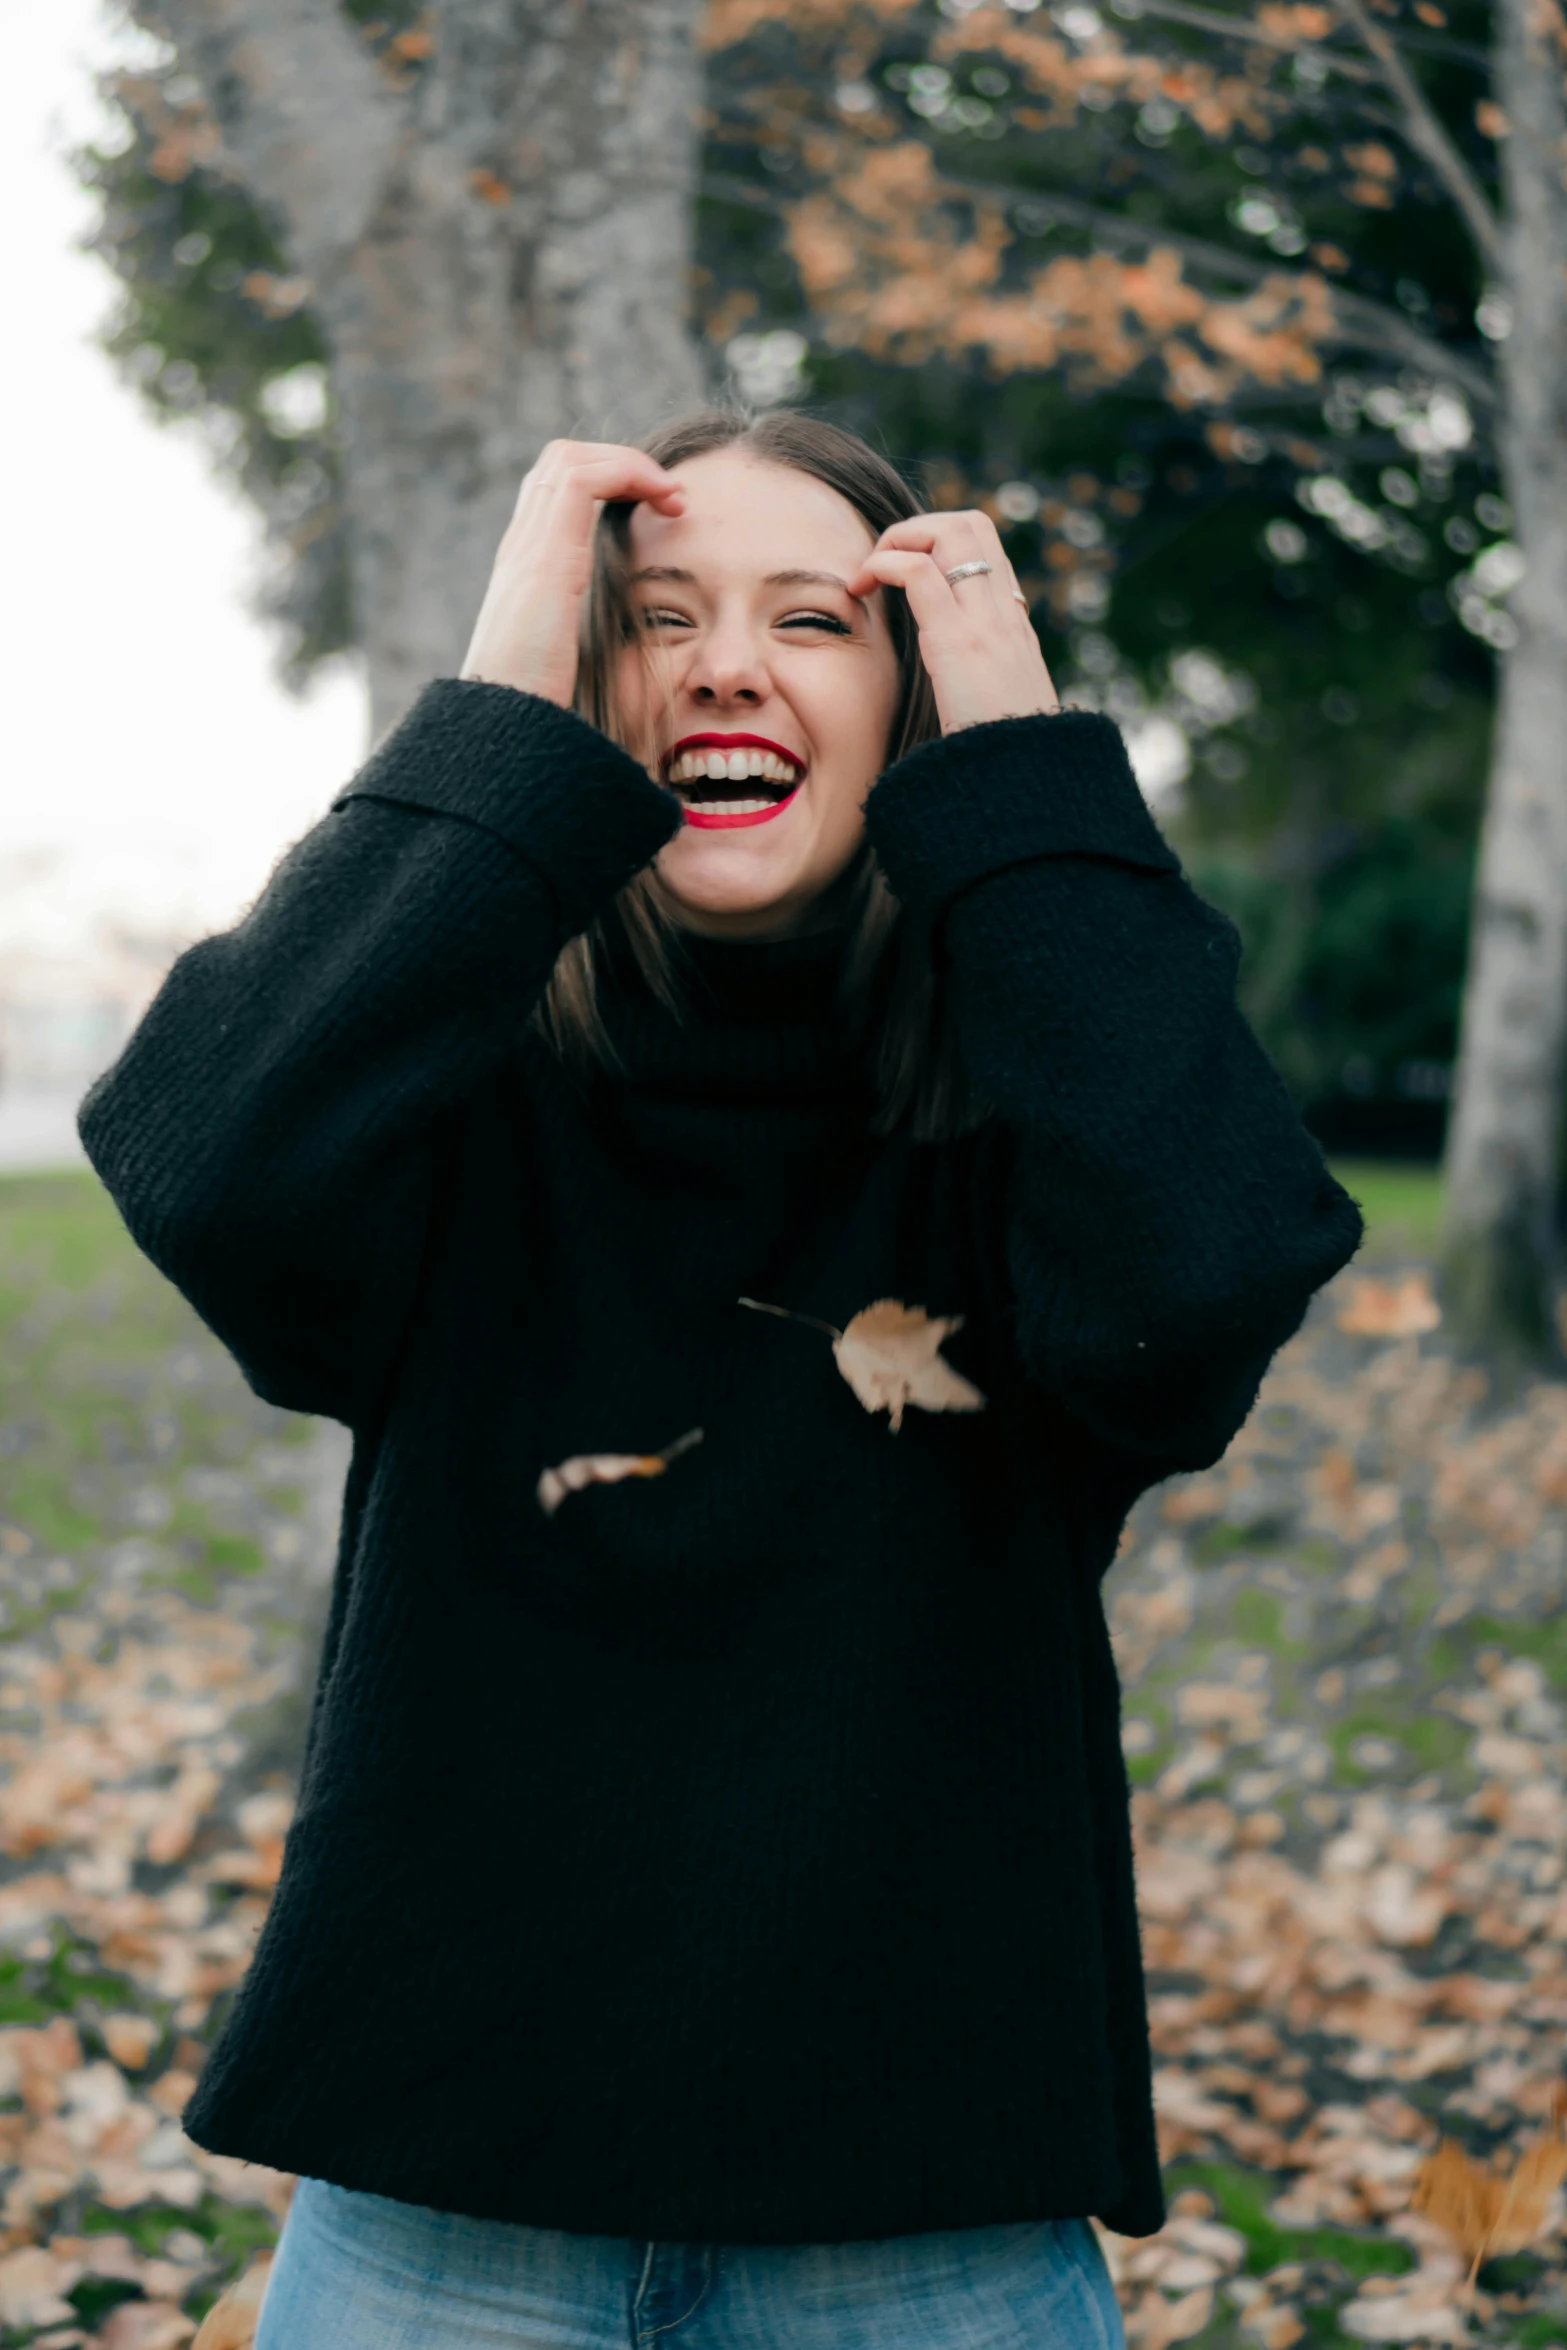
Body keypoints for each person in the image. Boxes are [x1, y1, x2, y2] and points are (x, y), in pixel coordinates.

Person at [78, 408, 1363, 2348]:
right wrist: (510, 677)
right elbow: (210, 1157)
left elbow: (1207, 1275)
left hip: (927, 2229)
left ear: (912, 703)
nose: (727, 664)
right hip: (446, 2215)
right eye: (658, 618)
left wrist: (1018, 759)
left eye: (813, 621)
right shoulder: (448, 1103)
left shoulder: (1040, 1117)